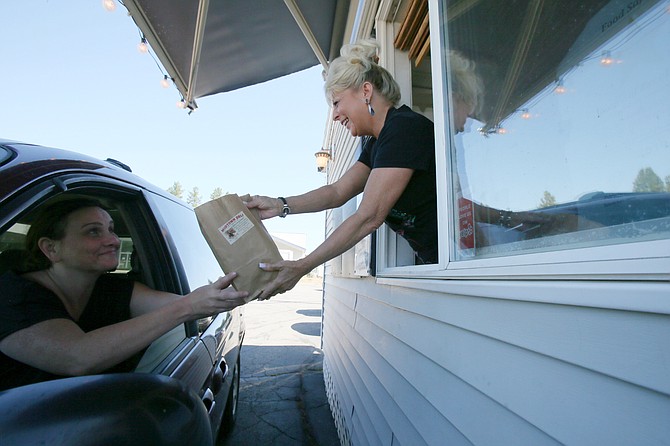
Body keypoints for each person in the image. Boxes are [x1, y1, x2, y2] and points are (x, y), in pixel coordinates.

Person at [246, 39, 438, 299]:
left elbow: (368, 217)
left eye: (337, 102)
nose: (335, 115)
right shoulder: (378, 142)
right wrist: (280, 205)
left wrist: (302, 266)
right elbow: (337, 192)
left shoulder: (403, 128)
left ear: (366, 92)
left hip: (462, 254)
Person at [0, 198, 249, 391]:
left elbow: (189, 302)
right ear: (51, 248)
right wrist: (188, 308)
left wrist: (255, 280)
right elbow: (78, 357)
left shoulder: (112, 288)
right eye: (93, 232)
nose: (114, 240)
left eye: (111, 229)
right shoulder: (13, 297)